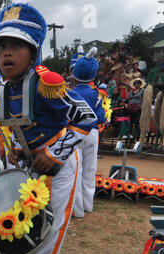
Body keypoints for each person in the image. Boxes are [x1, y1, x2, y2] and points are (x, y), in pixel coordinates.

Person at [0, 4, 97, 254]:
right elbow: (21, 127)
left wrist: (55, 153)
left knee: (52, 223)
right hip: (32, 164)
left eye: (16, 46)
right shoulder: (7, 88)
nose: (6, 53)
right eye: (1, 47)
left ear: (34, 53)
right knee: (34, 219)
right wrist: (17, 151)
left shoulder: (45, 83)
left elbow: (86, 117)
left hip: (58, 164)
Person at [70, 48, 107, 219]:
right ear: (93, 76)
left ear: (74, 73)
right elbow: (101, 117)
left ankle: (76, 210)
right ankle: (87, 205)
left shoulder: (68, 92)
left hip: (74, 133)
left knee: (75, 171)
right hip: (92, 134)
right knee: (90, 169)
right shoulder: (96, 94)